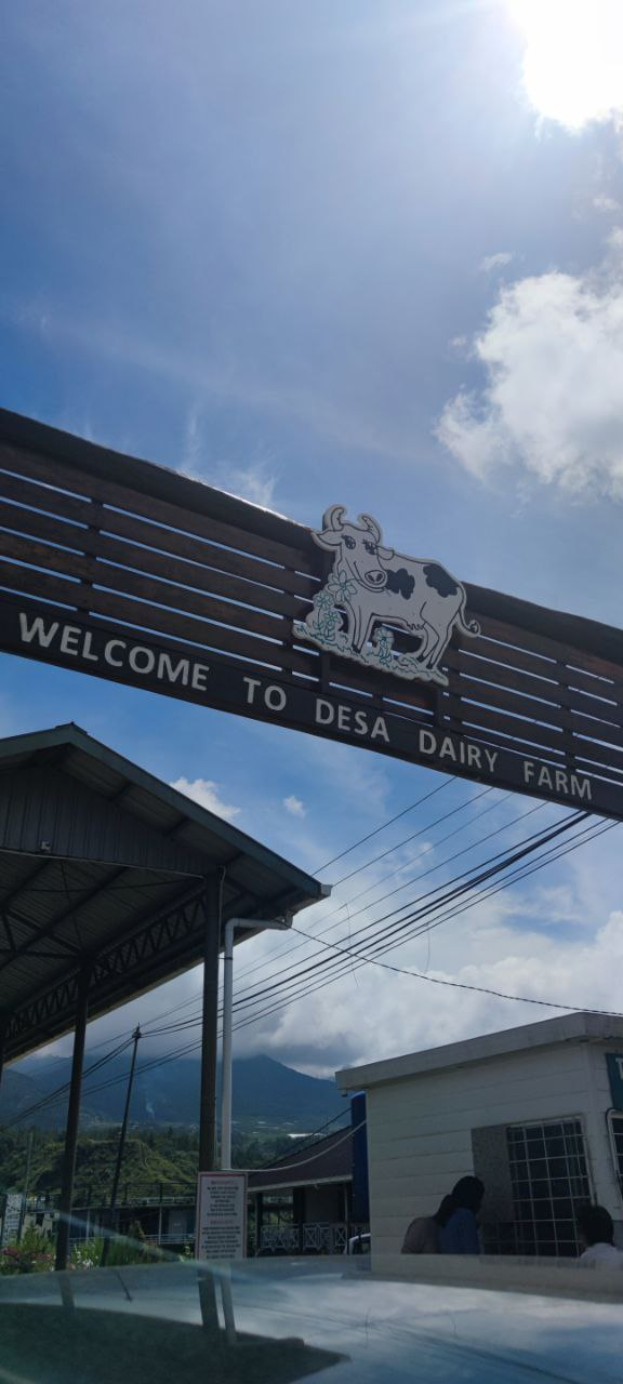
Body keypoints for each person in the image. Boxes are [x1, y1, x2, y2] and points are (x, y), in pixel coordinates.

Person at [401, 1175, 484, 1255]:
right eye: (479, 1200)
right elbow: (406, 1258)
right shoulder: (423, 1226)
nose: (480, 1205)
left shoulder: (453, 1224)